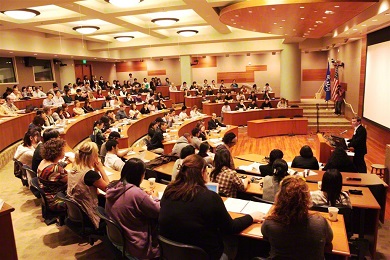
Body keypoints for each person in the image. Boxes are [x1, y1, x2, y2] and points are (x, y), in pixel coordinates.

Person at [159, 155, 264, 259]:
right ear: (202, 173)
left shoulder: (169, 190)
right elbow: (231, 228)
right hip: (206, 256)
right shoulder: (210, 197)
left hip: (173, 254)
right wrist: (251, 217)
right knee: (234, 240)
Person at [261, 175, 333, 259]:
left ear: (280, 197)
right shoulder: (320, 222)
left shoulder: (270, 222)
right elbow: (329, 239)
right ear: (306, 198)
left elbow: (265, 236)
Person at [105, 158, 160, 259]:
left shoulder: (113, 186)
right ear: (140, 175)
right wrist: (155, 197)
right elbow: (158, 210)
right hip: (135, 246)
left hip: (117, 240)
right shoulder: (136, 194)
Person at [67, 142, 110, 229]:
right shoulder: (90, 175)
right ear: (93, 156)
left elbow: (94, 190)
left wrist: (96, 170)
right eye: (96, 154)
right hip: (89, 215)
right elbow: (110, 189)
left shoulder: (74, 169)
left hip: (80, 212)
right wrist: (101, 169)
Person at [37, 139, 68, 211]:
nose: (65, 152)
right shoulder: (55, 169)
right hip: (55, 200)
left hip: (47, 197)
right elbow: (72, 181)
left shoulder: (43, 161)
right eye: (63, 150)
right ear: (58, 152)